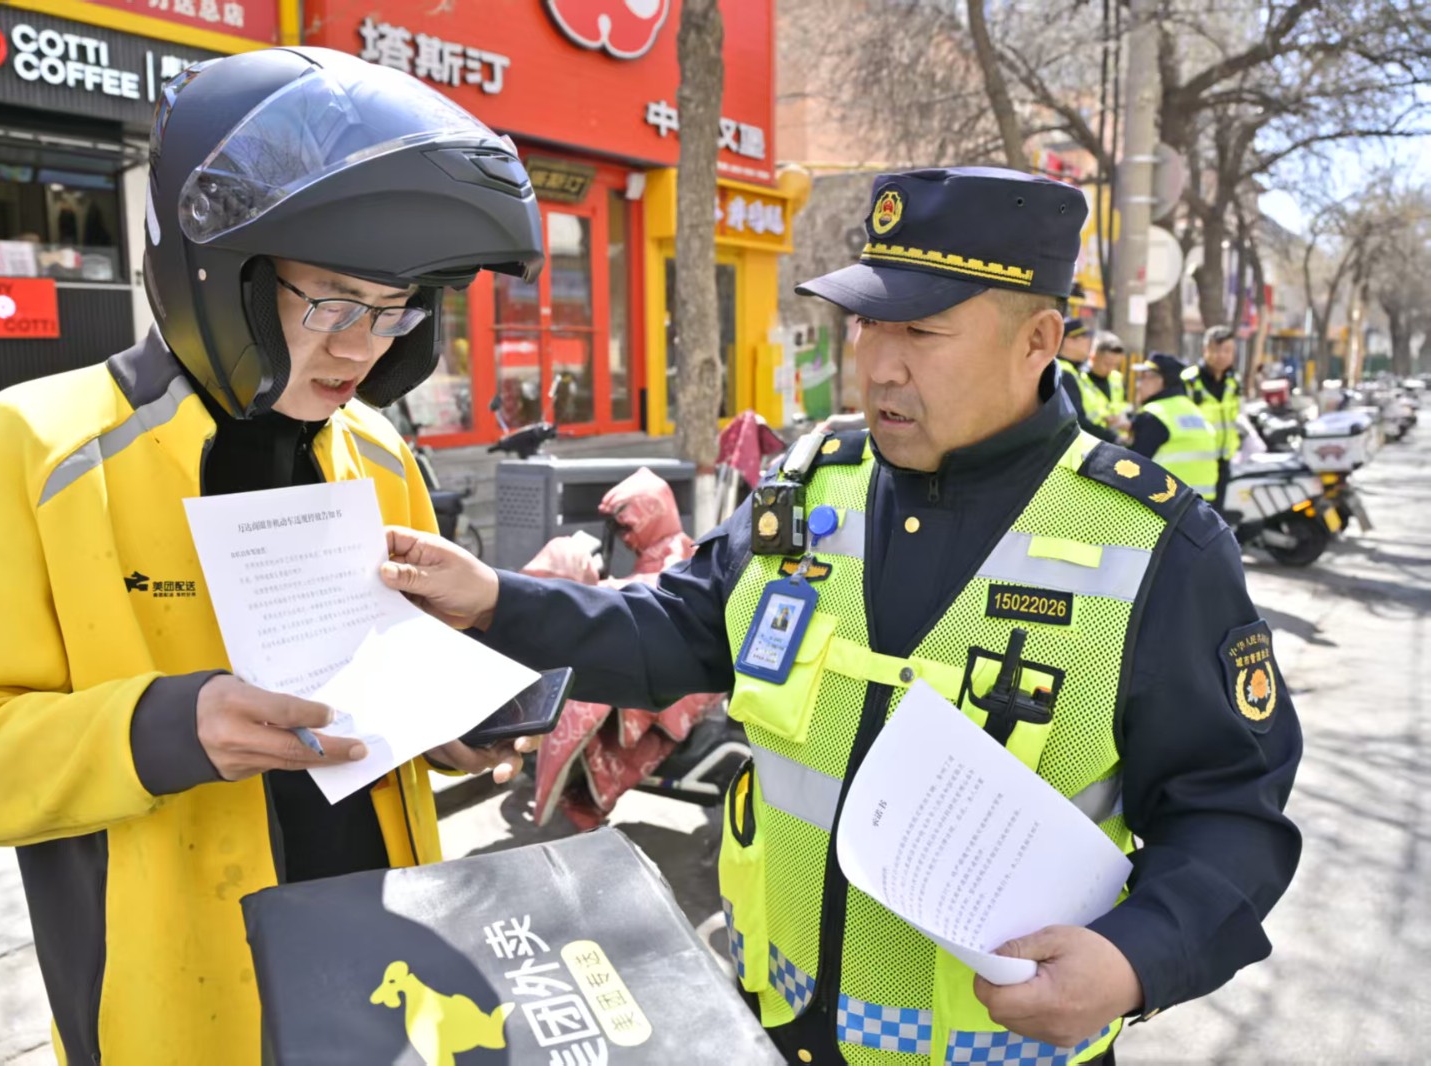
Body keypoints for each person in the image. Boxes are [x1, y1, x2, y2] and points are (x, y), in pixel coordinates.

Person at [380, 167, 1301, 1066]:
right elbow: (680, 632)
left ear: (1040, 340)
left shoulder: (1152, 547)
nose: (878, 364)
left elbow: (1230, 813)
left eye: (923, 332)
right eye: (866, 324)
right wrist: (496, 599)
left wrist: (1138, 958)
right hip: (771, 1016)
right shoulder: (816, 486)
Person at [0, 49, 542, 1066]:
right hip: (172, 1021)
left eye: (395, 310)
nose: (362, 348)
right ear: (223, 276)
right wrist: (160, 729)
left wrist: (442, 736)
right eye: (334, 303)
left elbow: (373, 696)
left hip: (384, 983)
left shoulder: (379, 452)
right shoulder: (35, 450)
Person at [1130, 353, 1222, 503]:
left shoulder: (1154, 415)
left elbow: (1131, 467)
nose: (1139, 384)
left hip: (1167, 505)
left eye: (1144, 377)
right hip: (1203, 506)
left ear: (1160, 380)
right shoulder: (1192, 409)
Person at [1183, 325, 1242, 508]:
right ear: (1205, 350)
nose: (1221, 356)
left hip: (1222, 460)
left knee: (1217, 517)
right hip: (1195, 462)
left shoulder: (1233, 382)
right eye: (1216, 350)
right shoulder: (1189, 380)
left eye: (1227, 351)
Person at [1054, 315, 1119, 442]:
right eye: (1085, 337)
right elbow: (1076, 419)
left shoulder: (1073, 370)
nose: (1089, 341)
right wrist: (1112, 438)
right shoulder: (1063, 372)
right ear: (1068, 341)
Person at [1084, 330, 1130, 437]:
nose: (1111, 369)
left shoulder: (1116, 378)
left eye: (1116, 364)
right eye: (1107, 364)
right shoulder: (1079, 378)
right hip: (1090, 437)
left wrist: (1122, 418)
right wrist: (1105, 419)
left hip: (1113, 438)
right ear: (1093, 357)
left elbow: (1121, 404)